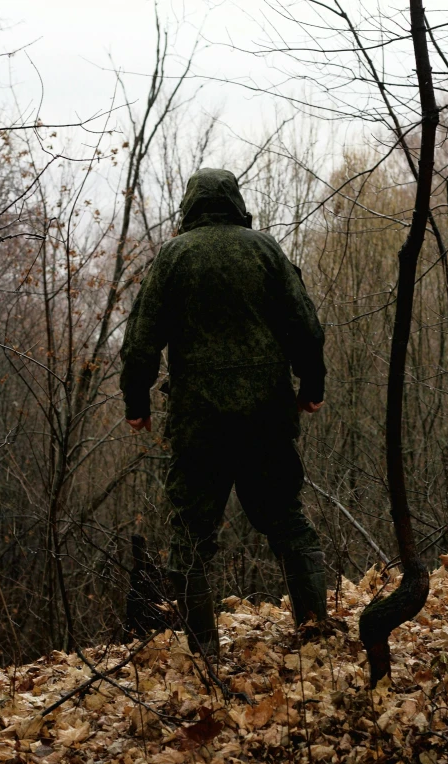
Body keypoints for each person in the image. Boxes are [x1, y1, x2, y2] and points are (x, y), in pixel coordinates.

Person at [120, 168, 327, 656]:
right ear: (235, 201)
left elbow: (141, 340)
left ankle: (204, 653)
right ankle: (316, 634)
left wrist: (137, 400)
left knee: (190, 537)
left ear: (189, 205)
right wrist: (311, 384)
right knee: (287, 522)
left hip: (200, 424)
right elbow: (306, 325)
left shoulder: (173, 257)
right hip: (266, 419)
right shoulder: (265, 249)